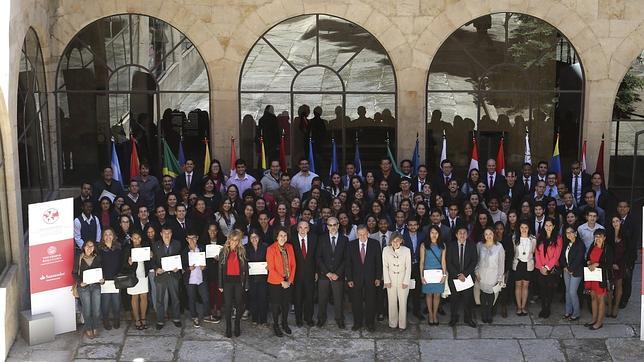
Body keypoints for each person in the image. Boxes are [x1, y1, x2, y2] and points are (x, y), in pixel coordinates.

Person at [346, 225, 383, 332]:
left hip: (371, 278)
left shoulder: (374, 244)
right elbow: (348, 264)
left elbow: (378, 262)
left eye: (364, 234)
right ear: (357, 234)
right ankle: (357, 323)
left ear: (368, 233)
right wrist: (349, 279)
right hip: (355, 279)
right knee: (356, 302)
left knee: (370, 302)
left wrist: (378, 278)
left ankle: (370, 323)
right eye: (360, 234)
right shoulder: (351, 245)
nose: (362, 236)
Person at [316, 217, 348, 328]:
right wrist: (327, 273)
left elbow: (346, 259)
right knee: (322, 298)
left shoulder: (344, 240)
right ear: (327, 226)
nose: (333, 227)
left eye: (335, 224)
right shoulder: (322, 239)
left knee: (338, 299)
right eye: (330, 225)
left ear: (338, 225)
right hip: (324, 275)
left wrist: (337, 273)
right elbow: (318, 257)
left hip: (338, 275)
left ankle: (339, 319)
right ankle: (321, 318)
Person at [217, 229, 249, 337]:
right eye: (232, 240)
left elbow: (246, 270)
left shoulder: (242, 251)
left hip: (239, 281)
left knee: (239, 304)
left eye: (236, 240)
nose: (234, 242)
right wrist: (220, 284)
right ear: (229, 240)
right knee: (228, 305)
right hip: (227, 282)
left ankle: (237, 325)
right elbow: (220, 269)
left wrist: (247, 283)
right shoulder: (223, 251)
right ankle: (228, 327)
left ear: (239, 241)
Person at [182, 229, 216, 329]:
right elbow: (182, 265)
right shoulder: (184, 251)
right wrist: (188, 268)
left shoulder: (202, 248)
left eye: (194, 238)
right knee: (192, 299)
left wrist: (204, 267)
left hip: (201, 278)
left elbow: (208, 262)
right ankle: (194, 317)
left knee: (205, 297)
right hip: (190, 279)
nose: (192, 240)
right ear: (186, 239)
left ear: (197, 238)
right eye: (189, 238)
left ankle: (206, 315)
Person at [151, 226, 183, 330]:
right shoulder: (156, 245)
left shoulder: (177, 244)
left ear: (171, 233)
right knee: (159, 299)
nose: (166, 235)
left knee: (176, 298)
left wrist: (178, 267)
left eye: (169, 233)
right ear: (161, 234)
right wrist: (156, 269)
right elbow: (153, 261)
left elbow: (181, 258)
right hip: (161, 276)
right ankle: (160, 320)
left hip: (173, 275)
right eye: (164, 233)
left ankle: (176, 318)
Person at [266, 226, 296, 337]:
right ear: (276, 237)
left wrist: (290, 280)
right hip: (275, 282)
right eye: (281, 236)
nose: (283, 238)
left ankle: (284, 323)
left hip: (288, 281)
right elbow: (271, 267)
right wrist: (281, 281)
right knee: (275, 304)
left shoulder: (290, 247)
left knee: (285, 304)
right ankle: (276, 325)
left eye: (285, 235)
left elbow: (293, 265)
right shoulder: (271, 249)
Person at [446, 225, 478, 327]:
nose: (462, 235)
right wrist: (457, 274)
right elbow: (448, 262)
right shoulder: (451, 245)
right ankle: (454, 318)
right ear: (456, 235)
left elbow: (474, 261)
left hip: (467, 277)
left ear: (467, 234)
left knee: (468, 299)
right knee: (454, 299)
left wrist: (465, 274)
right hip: (454, 277)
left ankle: (468, 318)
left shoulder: (472, 245)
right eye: (460, 233)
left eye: (464, 233)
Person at [73, 240, 103, 339]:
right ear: (84, 247)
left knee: (97, 310)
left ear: (94, 248)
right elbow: (73, 273)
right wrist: (80, 282)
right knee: (87, 309)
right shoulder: (79, 257)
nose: (89, 248)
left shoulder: (97, 257)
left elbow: (101, 271)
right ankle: (88, 328)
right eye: (87, 246)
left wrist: (102, 280)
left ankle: (95, 327)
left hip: (95, 286)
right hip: (84, 287)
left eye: (92, 246)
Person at [584, 229, 613, 330]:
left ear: (604, 237)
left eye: (600, 236)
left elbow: (609, 264)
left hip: (601, 278)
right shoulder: (593, 246)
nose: (598, 238)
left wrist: (598, 264)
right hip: (592, 276)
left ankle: (599, 322)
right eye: (596, 236)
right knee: (593, 298)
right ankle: (593, 319)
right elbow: (588, 257)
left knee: (601, 300)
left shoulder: (607, 248)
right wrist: (588, 262)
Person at [475, 227, 505, 324]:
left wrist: (500, 277)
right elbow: (476, 260)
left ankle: (489, 313)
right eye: (486, 234)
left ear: (494, 234)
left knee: (491, 295)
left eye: (490, 234)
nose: (488, 236)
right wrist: (476, 272)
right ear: (484, 236)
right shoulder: (480, 245)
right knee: (483, 295)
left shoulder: (499, 246)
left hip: (494, 274)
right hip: (482, 273)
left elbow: (501, 263)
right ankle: (484, 313)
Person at [382, 232, 411, 330]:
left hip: (403, 279)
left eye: (398, 240)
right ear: (390, 241)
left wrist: (406, 281)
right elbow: (385, 266)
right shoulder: (386, 250)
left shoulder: (406, 250)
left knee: (403, 303)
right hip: (391, 280)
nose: (395, 243)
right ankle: (393, 323)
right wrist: (387, 280)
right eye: (393, 241)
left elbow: (408, 267)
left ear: (401, 241)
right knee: (392, 302)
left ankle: (402, 325)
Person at [534, 218, 563, 318]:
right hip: (540, 268)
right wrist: (541, 267)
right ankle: (543, 307)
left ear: (554, 226)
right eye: (546, 225)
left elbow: (556, 255)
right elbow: (537, 253)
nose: (548, 227)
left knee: (549, 289)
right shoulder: (540, 237)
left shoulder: (558, 238)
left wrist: (547, 267)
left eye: (550, 225)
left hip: (551, 268)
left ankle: (548, 308)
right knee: (542, 288)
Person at [292, 221, 318, 327]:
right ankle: (298, 319)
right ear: (297, 228)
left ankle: (308, 318)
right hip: (296, 274)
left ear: (308, 229)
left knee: (309, 297)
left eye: (305, 228)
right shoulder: (292, 239)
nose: (303, 230)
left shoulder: (314, 238)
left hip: (310, 273)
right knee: (297, 298)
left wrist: (316, 271)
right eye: (301, 227)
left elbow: (316, 256)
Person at [123, 231, 150, 330]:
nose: (137, 240)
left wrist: (151, 255)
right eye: (134, 238)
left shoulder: (145, 247)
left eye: (138, 238)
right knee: (134, 297)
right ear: (131, 239)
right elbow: (123, 265)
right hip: (133, 276)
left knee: (144, 296)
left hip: (143, 275)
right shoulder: (127, 249)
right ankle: (137, 319)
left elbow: (149, 261)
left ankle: (143, 318)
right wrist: (129, 263)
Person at [420, 225, 446, 326]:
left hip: (438, 272)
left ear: (439, 234)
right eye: (432, 232)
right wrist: (422, 276)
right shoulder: (424, 245)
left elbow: (443, 261)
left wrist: (444, 274)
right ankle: (430, 315)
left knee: (437, 295)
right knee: (429, 294)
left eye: (436, 233)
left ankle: (435, 314)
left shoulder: (442, 245)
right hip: (427, 272)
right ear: (429, 234)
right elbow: (422, 261)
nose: (434, 235)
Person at [97, 228, 122, 330]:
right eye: (106, 234)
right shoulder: (99, 249)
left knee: (116, 302)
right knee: (105, 303)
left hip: (116, 280)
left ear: (114, 236)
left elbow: (121, 263)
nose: (108, 236)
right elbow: (97, 264)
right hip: (105, 280)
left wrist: (119, 275)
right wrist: (100, 276)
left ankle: (117, 319)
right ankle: (106, 320)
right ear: (103, 237)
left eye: (110, 234)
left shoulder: (118, 248)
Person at [559, 226, 585, 321]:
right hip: (566, 270)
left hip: (576, 271)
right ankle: (568, 311)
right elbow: (562, 257)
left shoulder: (580, 244)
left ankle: (576, 313)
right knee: (567, 291)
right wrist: (565, 267)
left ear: (576, 233)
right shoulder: (567, 244)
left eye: (571, 232)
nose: (569, 234)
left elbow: (579, 259)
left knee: (572, 292)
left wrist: (570, 268)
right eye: (567, 232)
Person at [512, 221, 536, 316]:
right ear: (519, 228)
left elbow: (533, 251)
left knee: (525, 286)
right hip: (518, 264)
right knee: (518, 286)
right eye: (522, 227)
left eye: (526, 227)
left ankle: (523, 306)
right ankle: (519, 307)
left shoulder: (533, 239)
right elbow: (514, 251)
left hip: (528, 264)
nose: (524, 229)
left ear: (529, 228)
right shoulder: (515, 238)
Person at [245, 229, 268, 325]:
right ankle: (254, 319)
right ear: (249, 239)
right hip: (251, 278)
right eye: (252, 237)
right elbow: (244, 261)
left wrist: (268, 265)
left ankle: (263, 319)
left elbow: (269, 259)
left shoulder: (265, 247)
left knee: (263, 298)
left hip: (263, 277)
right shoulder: (246, 248)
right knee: (253, 298)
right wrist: (247, 266)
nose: (254, 239)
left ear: (259, 237)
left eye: (256, 236)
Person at [608, 216, 626, 318]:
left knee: (619, 286)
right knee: (610, 287)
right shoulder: (609, 235)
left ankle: (615, 307)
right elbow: (607, 251)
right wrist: (611, 263)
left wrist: (619, 264)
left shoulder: (625, 234)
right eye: (613, 221)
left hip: (621, 264)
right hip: (611, 264)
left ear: (620, 222)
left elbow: (627, 252)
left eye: (617, 221)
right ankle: (609, 307)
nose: (615, 223)